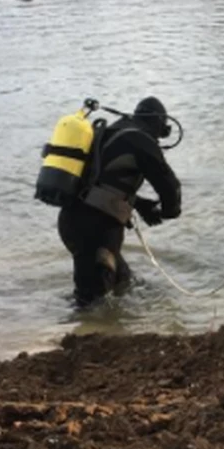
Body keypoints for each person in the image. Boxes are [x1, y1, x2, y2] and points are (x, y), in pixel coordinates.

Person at [58, 96, 182, 307]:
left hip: (72, 221)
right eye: (161, 131)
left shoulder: (112, 131)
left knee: (122, 281)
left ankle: (110, 330)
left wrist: (140, 204)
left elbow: (103, 183)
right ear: (158, 124)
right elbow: (170, 186)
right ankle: (75, 334)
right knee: (91, 302)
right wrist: (170, 211)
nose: (159, 139)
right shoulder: (143, 141)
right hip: (95, 231)